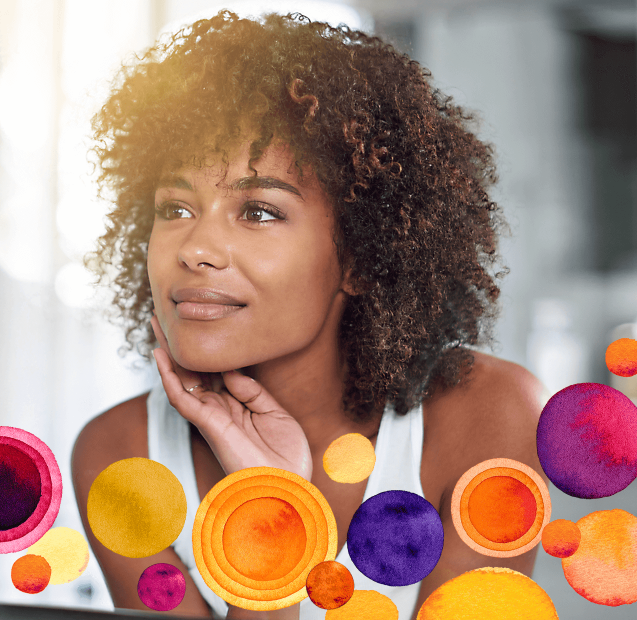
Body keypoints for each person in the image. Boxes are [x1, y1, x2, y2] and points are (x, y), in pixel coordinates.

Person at [72, 11, 545, 620]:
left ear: (362, 257)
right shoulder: (120, 459)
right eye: (175, 207)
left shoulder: (490, 418)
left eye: (260, 211)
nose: (192, 250)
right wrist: (270, 503)